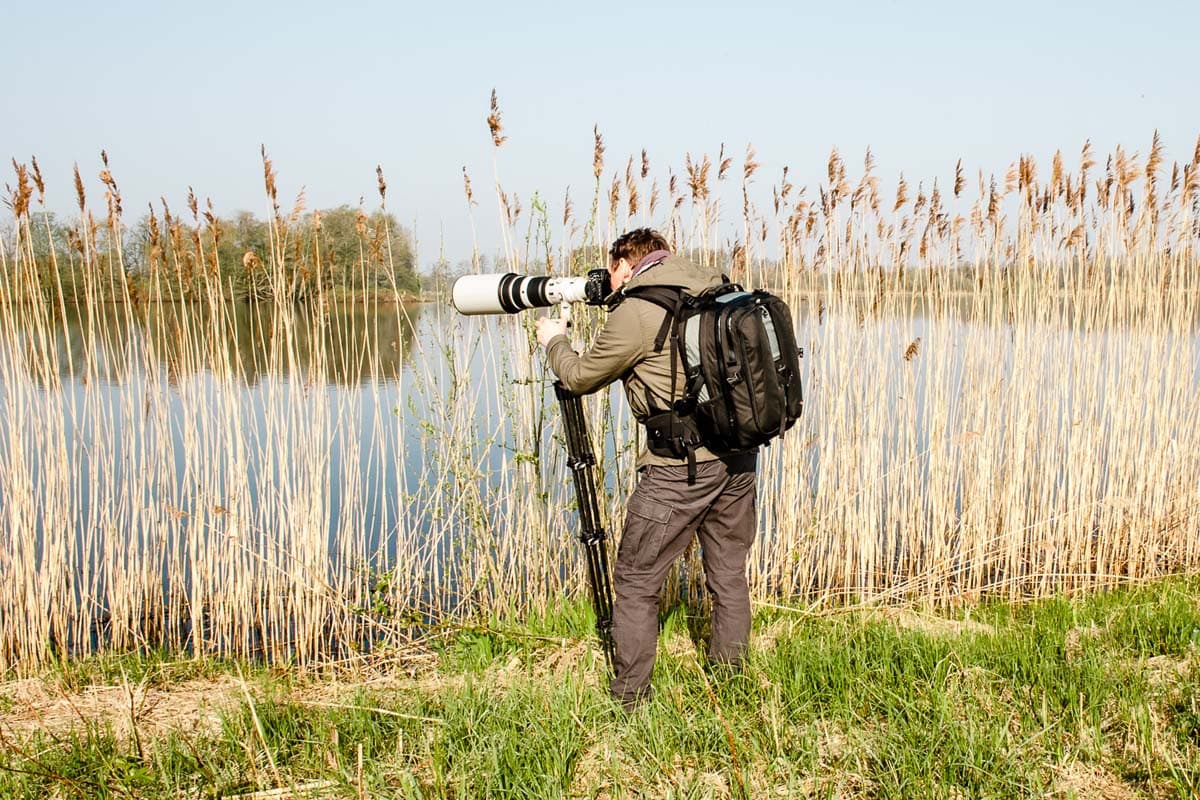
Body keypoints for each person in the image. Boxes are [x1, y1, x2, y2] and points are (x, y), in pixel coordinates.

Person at [534, 228, 758, 709]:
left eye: (611, 271)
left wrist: (554, 341)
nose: (608, 281)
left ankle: (630, 701)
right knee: (728, 574)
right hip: (739, 458)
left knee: (636, 583)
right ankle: (732, 683)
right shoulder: (714, 284)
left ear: (624, 263)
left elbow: (578, 376)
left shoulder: (638, 309)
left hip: (679, 469)